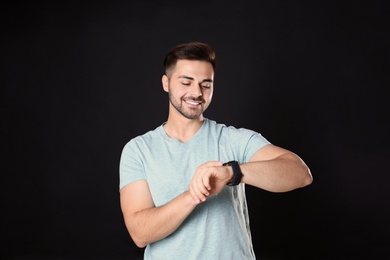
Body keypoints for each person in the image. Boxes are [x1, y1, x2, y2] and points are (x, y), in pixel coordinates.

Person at [119, 41, 313, 259]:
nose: (196, 92)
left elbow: (300, 174)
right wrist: (193, 195)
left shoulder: (234, 139)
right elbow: (139, 233)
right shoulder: (138, 150)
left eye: (206, 84)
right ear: (166, 83)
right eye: (186, 82)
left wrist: (232, 173)